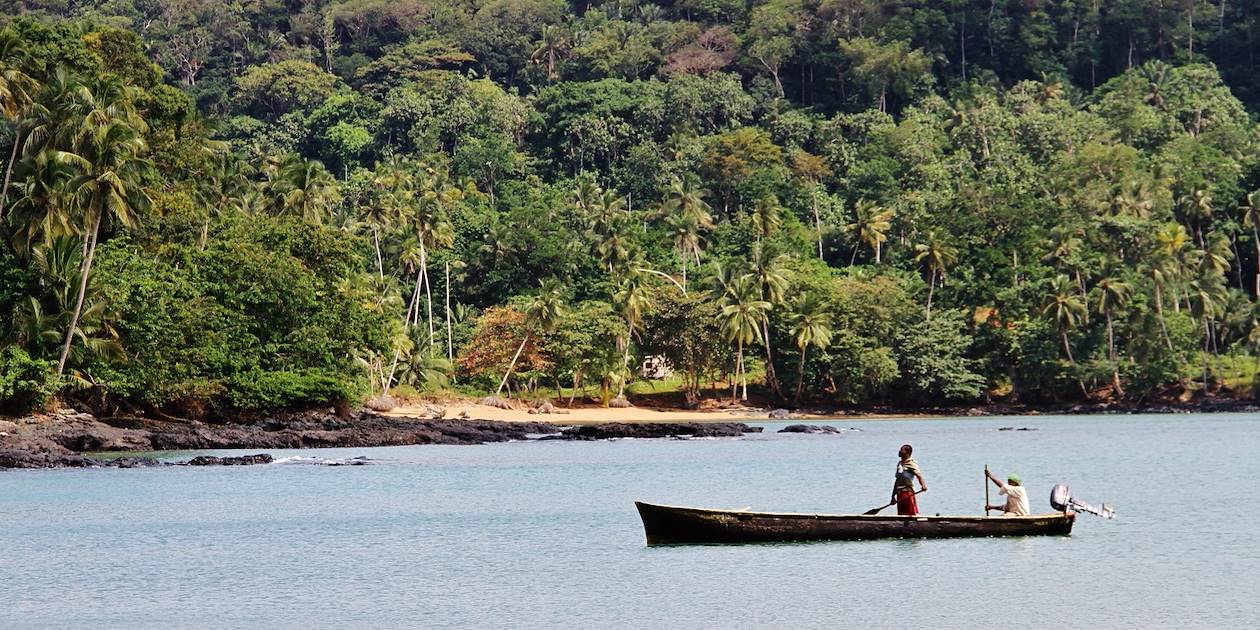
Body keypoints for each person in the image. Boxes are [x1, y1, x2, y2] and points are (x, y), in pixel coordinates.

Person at [891, 444, 927, 516]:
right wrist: (893, 496)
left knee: (910, 514)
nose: (899, 451)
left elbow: (919, 475)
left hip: (908, 492)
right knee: (901, 515)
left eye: (902, 450)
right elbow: (897, 481)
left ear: (907, 452)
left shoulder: (911, 463)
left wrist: (923, 485)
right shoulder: (900, 464)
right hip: (899, 493)